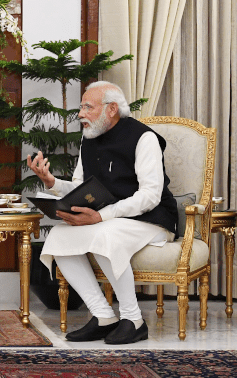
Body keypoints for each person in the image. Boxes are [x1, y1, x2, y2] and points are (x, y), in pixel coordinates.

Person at [27, 81, 177, 345]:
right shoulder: (89, 140)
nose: (80, 113)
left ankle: (134, 320)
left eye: (88, 107)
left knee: (105, 234)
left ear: (111, 109)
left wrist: (102, 216)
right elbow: (81, 187)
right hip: (110, 220)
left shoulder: (144, 138)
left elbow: (150, 195)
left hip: (152, 219)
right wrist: (52, 183)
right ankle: (103, 315)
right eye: (81, 106)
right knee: (58, 239)